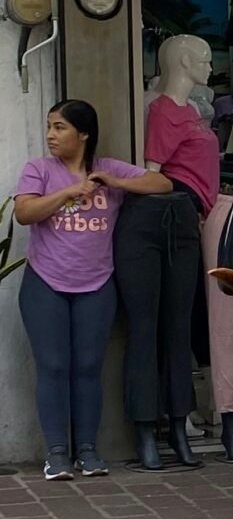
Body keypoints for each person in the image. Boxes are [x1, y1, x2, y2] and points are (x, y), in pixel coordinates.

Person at [12, 100, 172, 479]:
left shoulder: (108, 169)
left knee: (88, 368)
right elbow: (24, 213)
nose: (51, 135)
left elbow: (162, 183)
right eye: (49, 126)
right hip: (45, 283)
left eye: (60, 127)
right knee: (53, 366)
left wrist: (116, 183)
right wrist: (67, 194)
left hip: (96, 284)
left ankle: (87, 450)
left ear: (83, 134)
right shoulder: (39, 169)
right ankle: (56, 454)